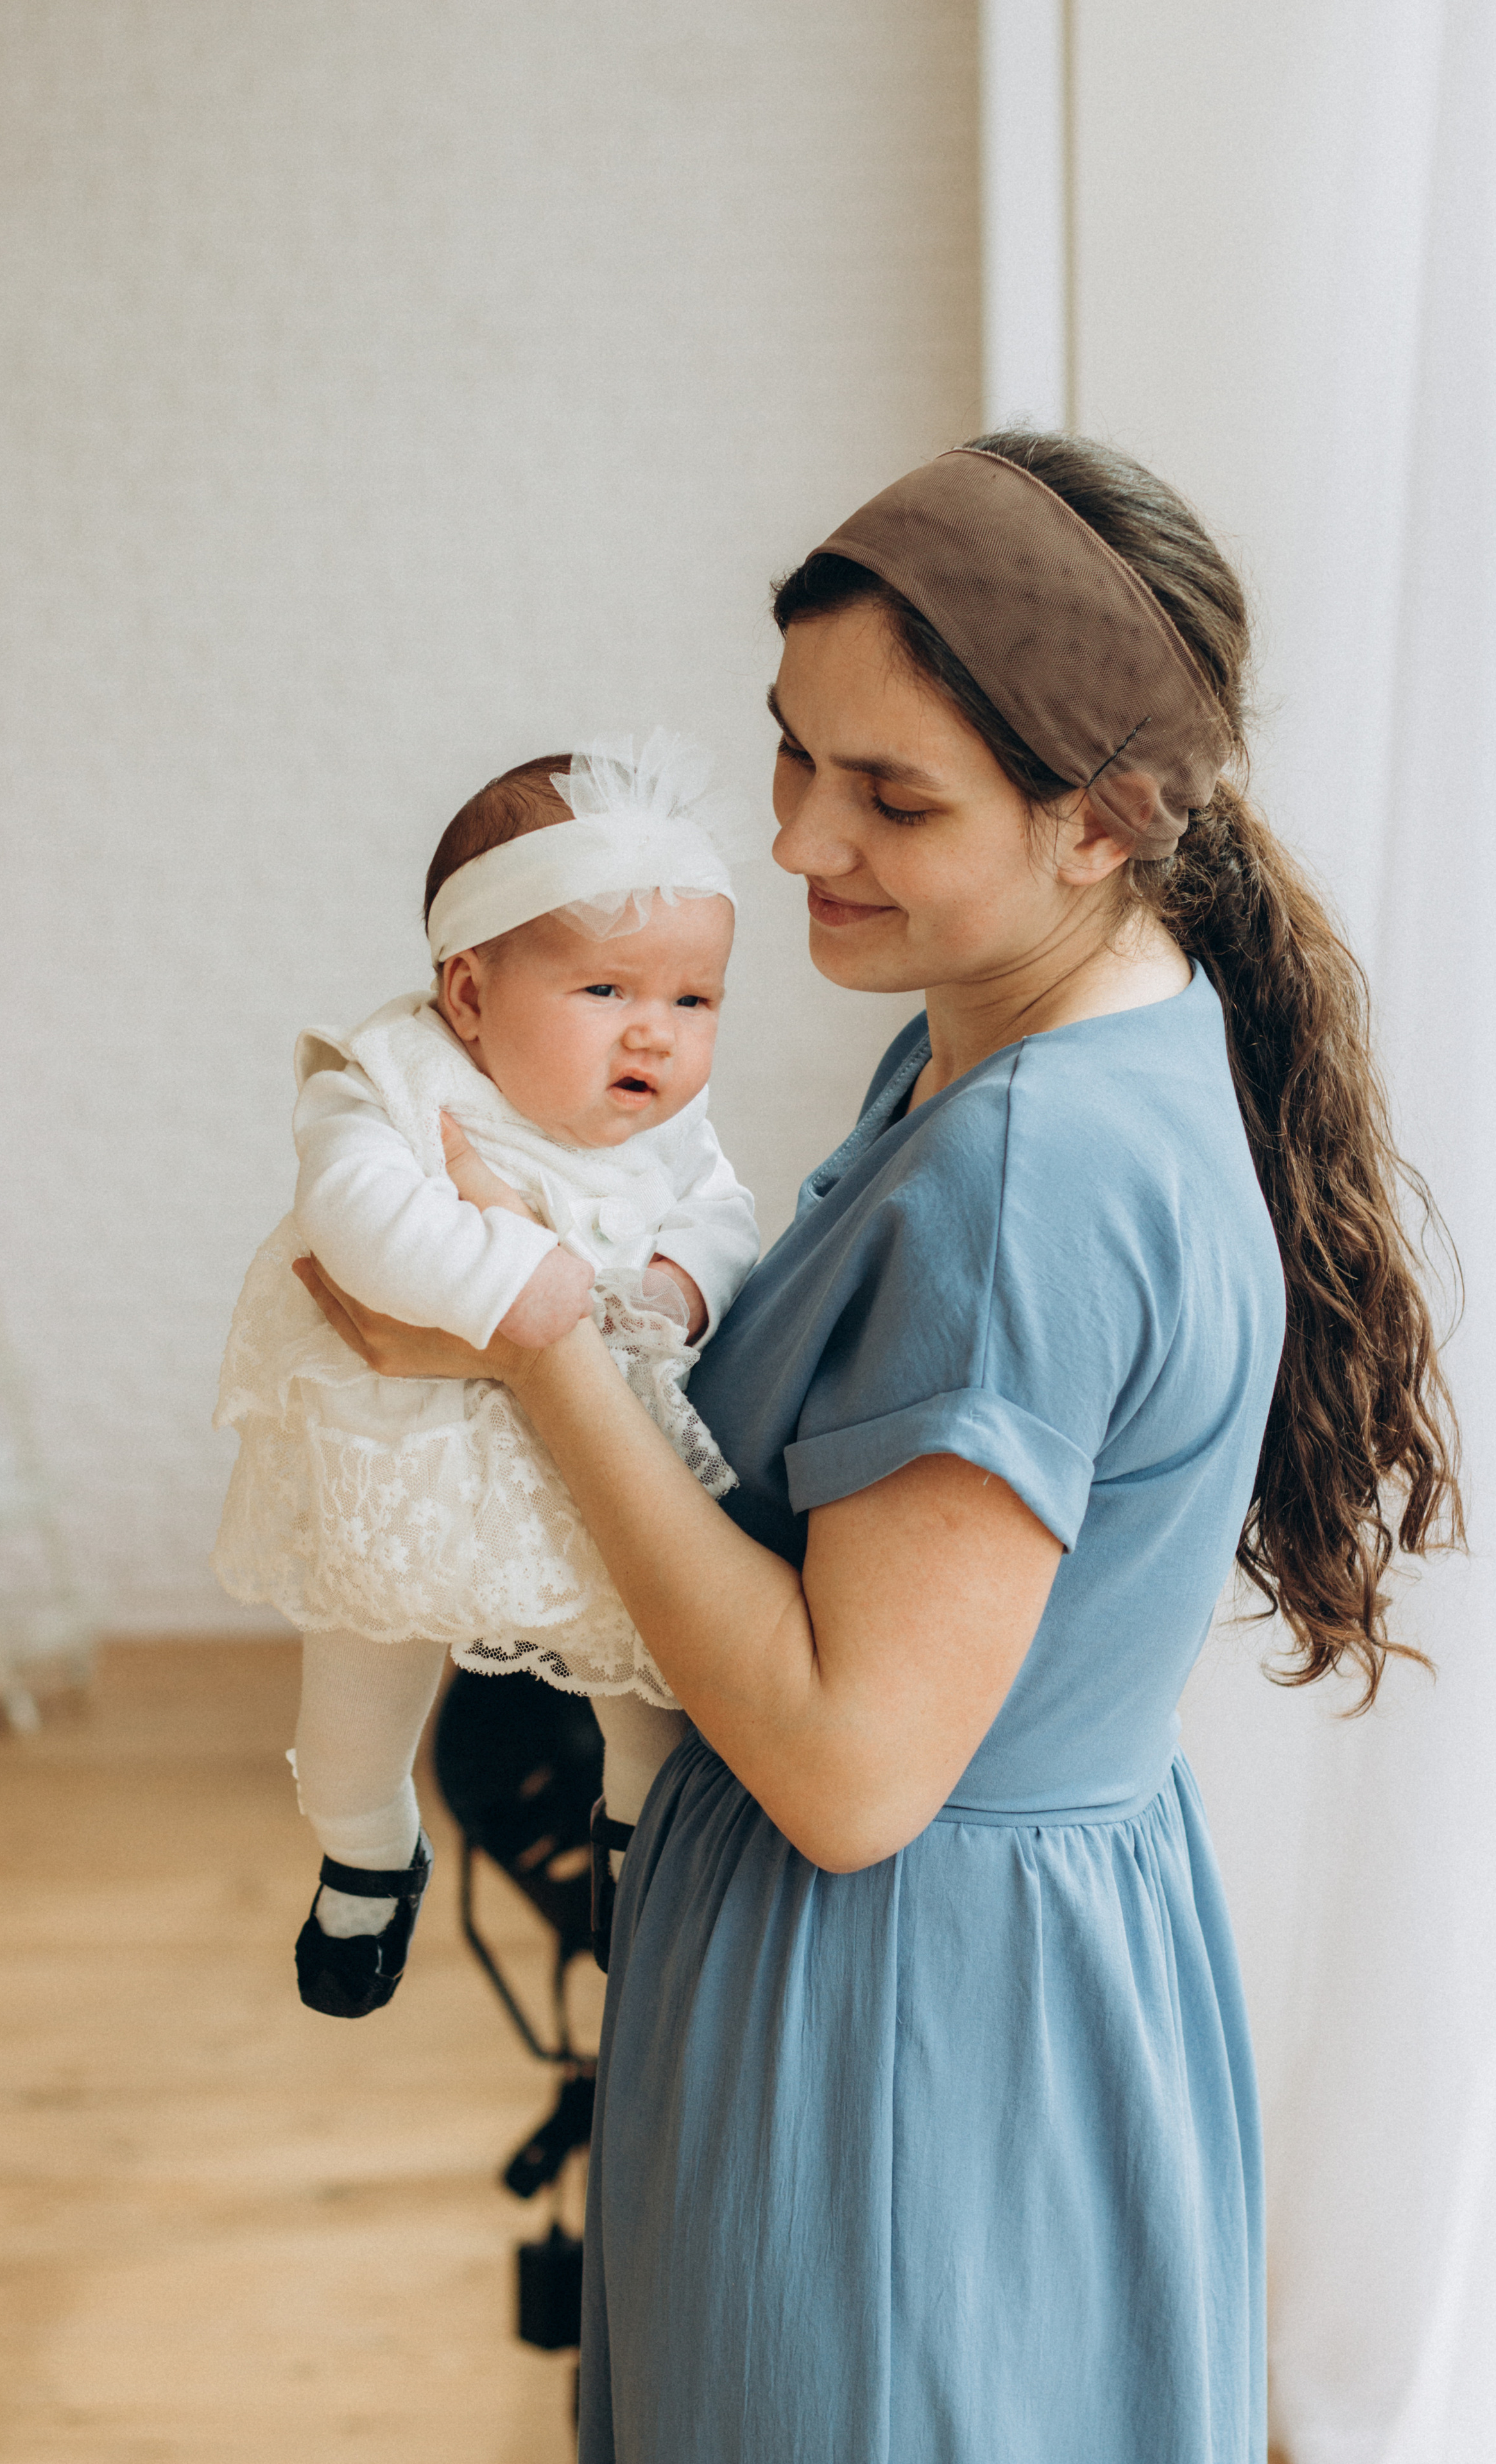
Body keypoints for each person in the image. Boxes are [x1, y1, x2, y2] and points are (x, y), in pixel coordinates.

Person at [295, 436, 1463, 2461]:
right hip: (1017, 1983)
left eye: (893, 797)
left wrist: (537, 1340)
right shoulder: (1042, 1029)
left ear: (1105, 818)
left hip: (896, 2035)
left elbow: (849, 1773)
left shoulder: (1026, 1175)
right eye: (792, 750)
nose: (798, 838)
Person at [212, 733, 758, 2019]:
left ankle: (635, 1856)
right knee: (356, 1703)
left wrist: (676, 1285)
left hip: (594, 1470)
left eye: (695, 1000)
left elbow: (725, 1217)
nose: (657, 1032)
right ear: (468, 994)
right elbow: (355, 1217)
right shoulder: (392, 1084)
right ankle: (365, 1850)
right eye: (606, 989)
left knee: (644, 1688)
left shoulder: (671, 1129)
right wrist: (517, 1285)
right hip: (401, 1464)